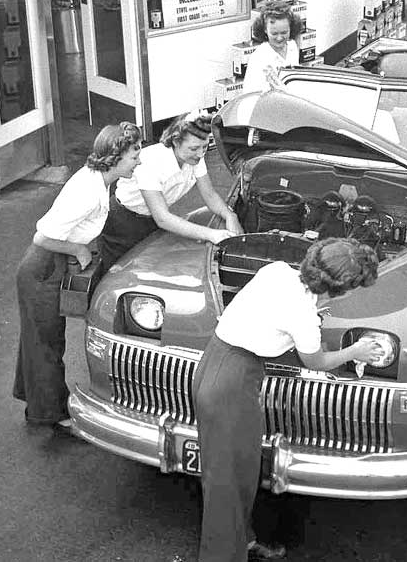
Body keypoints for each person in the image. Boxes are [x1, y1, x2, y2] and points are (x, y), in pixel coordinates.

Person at [192, 238, 386, 562]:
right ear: (341, 289)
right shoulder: (303, 315)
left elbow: (273, 313)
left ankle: (243, 541)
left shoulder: (278, 271)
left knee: (240, 473)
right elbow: (315, 361)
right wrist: (356, 351)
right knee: (226, 484)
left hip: (216, 364)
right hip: (231, 384)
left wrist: (311, 309)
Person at [13, 123, 142, 429]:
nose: (139, 160)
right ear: (116, 157)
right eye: (135, 154)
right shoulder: (88, 190)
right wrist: (80, 251)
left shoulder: (99, 180)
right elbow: (42, 238)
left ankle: (35, 400)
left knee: (37, 338)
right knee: (47, 342)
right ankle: (52, 415)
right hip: (42, 268)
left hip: (50, 263)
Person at [97, 111, 241, 273]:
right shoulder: (151, 162)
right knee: (117, 276)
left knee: (148, 270)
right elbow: (163, 219)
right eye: (194, 148)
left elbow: (210, 195)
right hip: (123, 224)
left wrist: (230, 216)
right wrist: (212, 234)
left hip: (151, 220)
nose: (201, 154)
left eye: (205, 147)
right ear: (175, 141)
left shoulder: (195, 158)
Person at [243, 1, 302, 94]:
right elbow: (251, 94)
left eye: (284, 32)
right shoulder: (258, 57)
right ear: (265, 30)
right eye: (274, 33)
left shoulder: (292, 46)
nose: (279, 38)